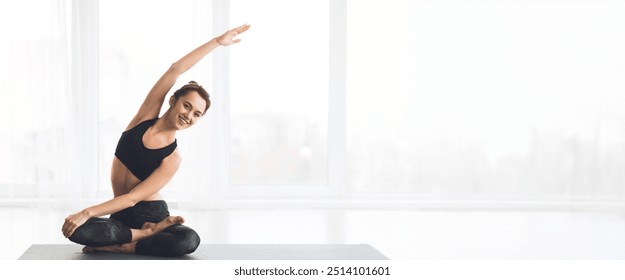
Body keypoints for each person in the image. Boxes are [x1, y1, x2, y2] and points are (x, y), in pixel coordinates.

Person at [61, 24, 251, 257]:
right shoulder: (144, 118)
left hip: (151, 214)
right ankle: (139, 237)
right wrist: (217, 42)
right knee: (75, 229)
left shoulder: (173, 158)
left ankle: (130, 242)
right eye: (187, 105)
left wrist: (88, 212)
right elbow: (175, 70)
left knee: (188, 240)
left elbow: (132, 198)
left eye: (196, 114)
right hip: (121, 216)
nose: (188, 115)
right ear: (173, 100)